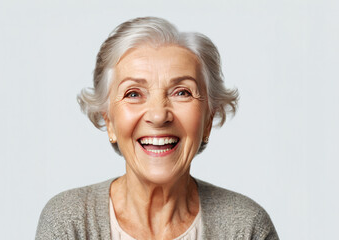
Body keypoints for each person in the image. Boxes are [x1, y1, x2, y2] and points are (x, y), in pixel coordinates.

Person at [35, 17, 279, 240]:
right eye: (133, 93)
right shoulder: (69, 223)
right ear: (109, 121)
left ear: (207, 121)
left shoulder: (247, 228)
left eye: (182, 92)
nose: (159, 115)